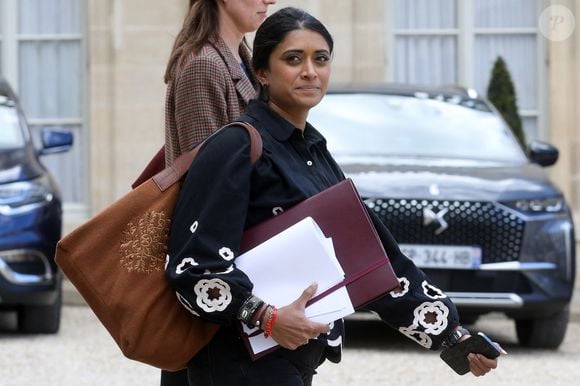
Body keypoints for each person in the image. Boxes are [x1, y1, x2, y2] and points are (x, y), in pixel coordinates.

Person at [165, 7, 506, 385]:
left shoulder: (315, 154)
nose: (310, 71)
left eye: (321, 59)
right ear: (262, 72)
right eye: (293, 59)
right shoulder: (236, 146)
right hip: (236, 361)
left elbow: (376, 261)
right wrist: (266, 316)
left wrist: (453, 335)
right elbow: (194, 268)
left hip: (295, 357)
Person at [162, 0, 276, 384]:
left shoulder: (240, 57)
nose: (270, 1)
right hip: (216, 279)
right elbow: (208, 195)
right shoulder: (203, 66)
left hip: (237, 274)